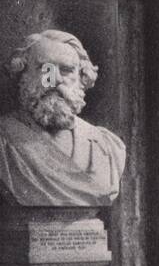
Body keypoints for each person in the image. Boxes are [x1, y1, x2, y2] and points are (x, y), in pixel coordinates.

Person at [0, 31, 126, 207]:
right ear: (23, 73)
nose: (55, 80)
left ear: (82, 78)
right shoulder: (4, 138)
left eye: (66, 70)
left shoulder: (107, 146)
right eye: (46, 69)